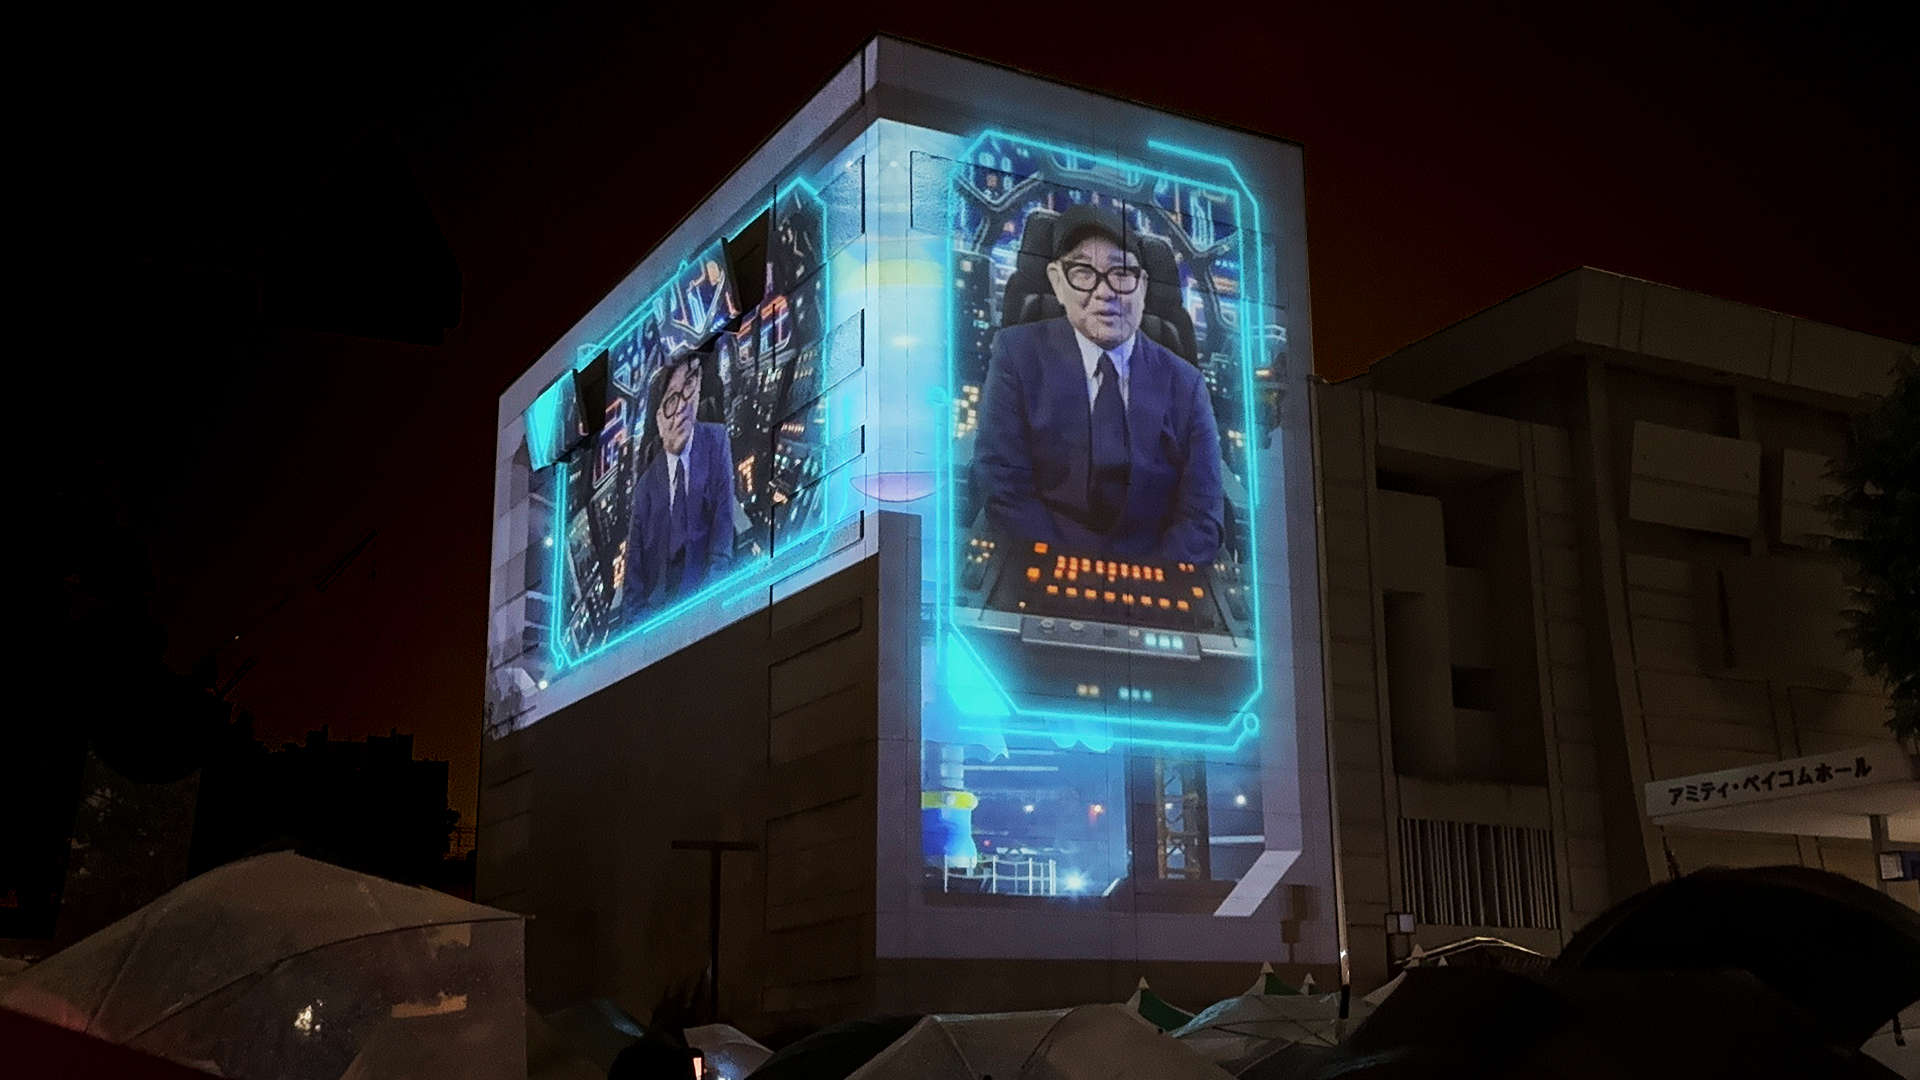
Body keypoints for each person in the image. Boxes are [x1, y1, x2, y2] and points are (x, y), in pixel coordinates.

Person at [971, 203, 1224, 563]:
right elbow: (1003, 483)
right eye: (1083, 272)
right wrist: (1064, 573)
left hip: (1151, 575)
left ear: (1142, 286)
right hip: (1039, 561)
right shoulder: (1017, 353)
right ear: (1057, 282)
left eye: (1121, 273)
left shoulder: (1187, 385)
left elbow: (1201, 514)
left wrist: (1144, 584)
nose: (1105, 292)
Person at [624, 353, 734, 616]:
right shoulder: (645, 489)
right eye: (671, 401)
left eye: (690, 384)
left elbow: (721, 550)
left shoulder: (717, 441)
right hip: (658, 624)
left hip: (709, 611)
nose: (683, 405)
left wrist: (701, 621)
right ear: (658, 420)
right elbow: (632, 591)